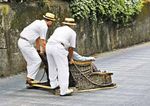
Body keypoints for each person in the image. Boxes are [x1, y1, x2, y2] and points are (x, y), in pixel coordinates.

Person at [18, 12, 56, 84]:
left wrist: (39, 50)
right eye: (52, 22)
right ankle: (30, 79)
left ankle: (29, 79)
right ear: (50, 21)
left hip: (22, 41)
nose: (52, 24)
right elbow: (43, 41)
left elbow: (37, 39)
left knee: (31, 61)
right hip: (26, 43)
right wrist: (47, 51)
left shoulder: (38, 22)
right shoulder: (44, 26)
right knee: (37, 60)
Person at [46, 18, 77, 96]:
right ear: (72, 25)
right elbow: (71, 48)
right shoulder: (72, 32)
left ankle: (53, 84)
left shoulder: (58, 28)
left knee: (52, 66)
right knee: (63, 68)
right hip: (58, 47)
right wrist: (71, 58)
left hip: (49, 45)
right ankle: (64, 90)